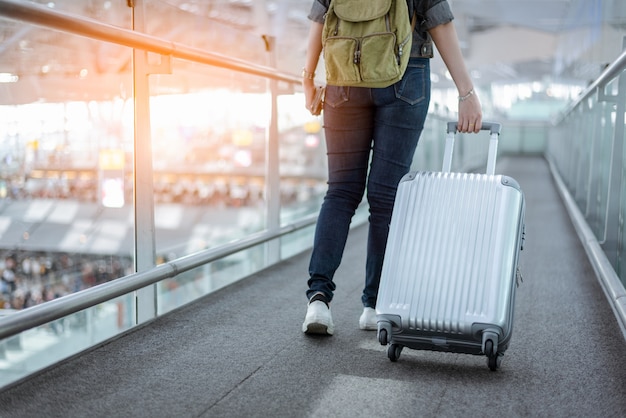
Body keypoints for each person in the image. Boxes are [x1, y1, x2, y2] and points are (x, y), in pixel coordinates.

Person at [301, 0, 482, 335]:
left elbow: (319, 17)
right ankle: (375, 304)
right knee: (385, 198)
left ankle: (318, 300)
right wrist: (466, 92)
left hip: (344, 77)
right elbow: (439, 20)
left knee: (340, 192)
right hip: (404, 74)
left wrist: (309, 77)